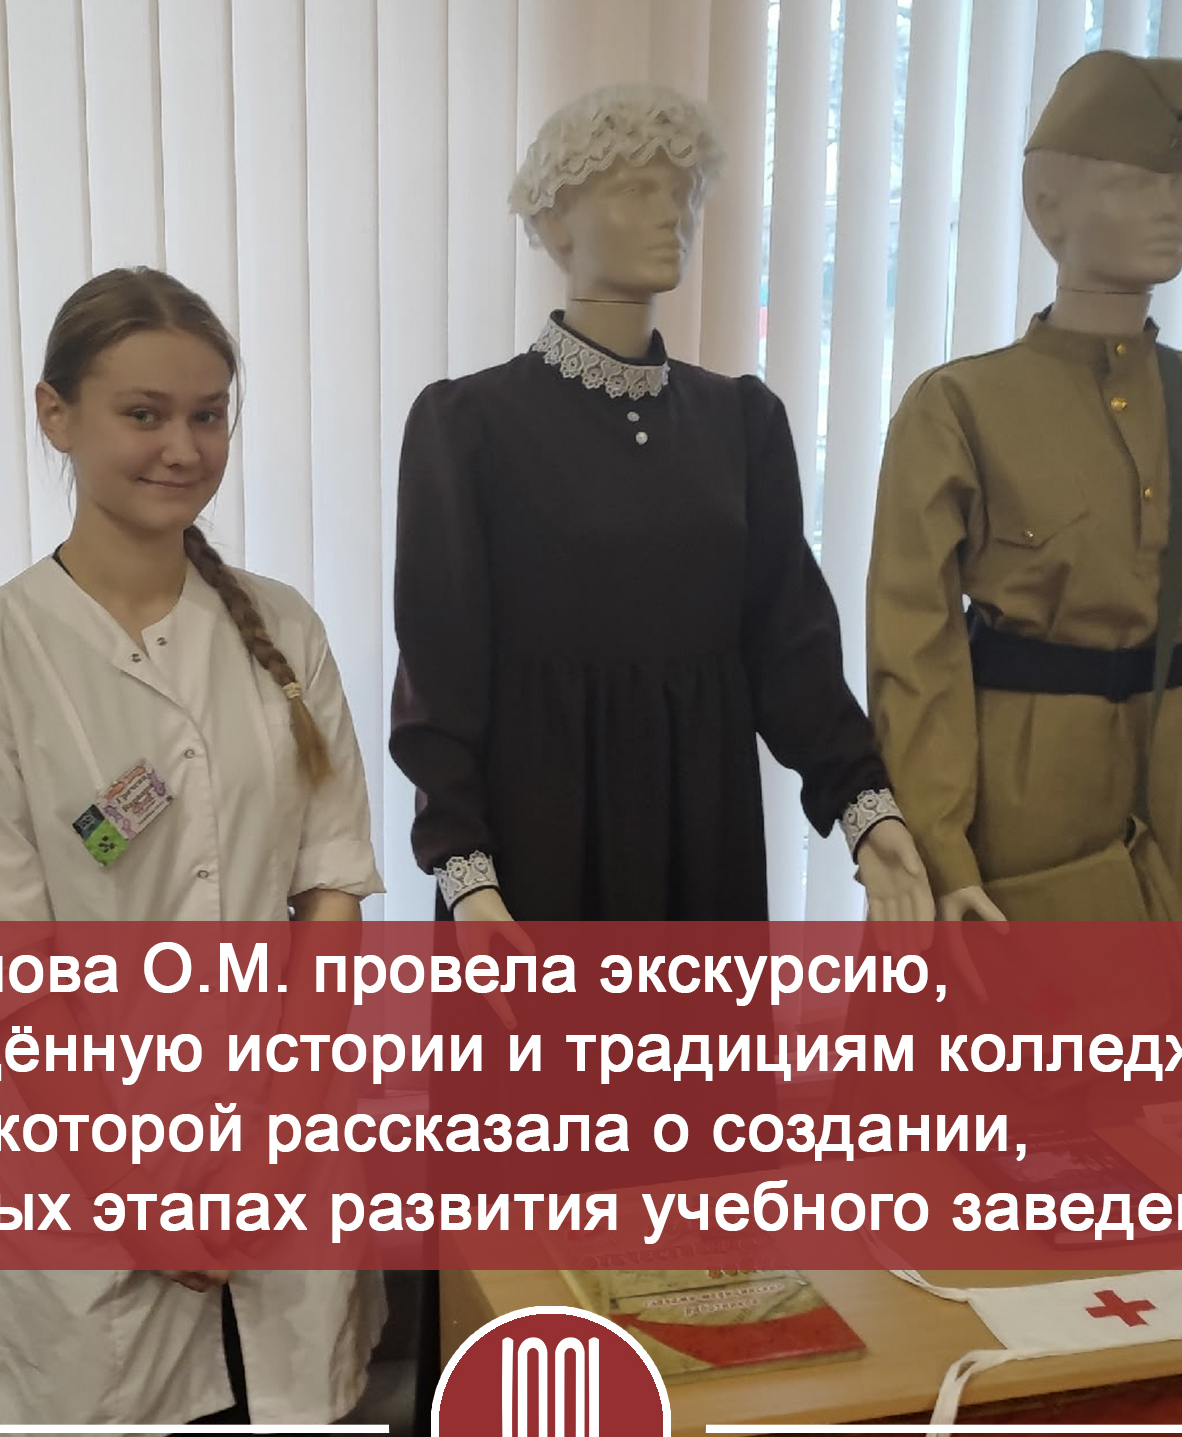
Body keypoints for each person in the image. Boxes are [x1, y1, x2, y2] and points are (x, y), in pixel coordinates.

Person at [0, 267, 385, 1437]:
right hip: (83, 1185)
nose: (184, 447)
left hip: (275, 1163)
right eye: (144, 413)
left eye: (210, 414)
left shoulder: (283, 630)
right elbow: (7, 975)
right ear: (55, 416)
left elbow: (330, 892)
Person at [390, 82, 932, 927]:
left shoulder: (741, 422)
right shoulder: (469, 426)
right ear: (556, 221)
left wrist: (866, 809)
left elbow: (786, 640)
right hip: (538, 836)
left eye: (684, 192)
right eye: (637, 188)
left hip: (702, 828)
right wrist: (466, 870)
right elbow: (440, 668)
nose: (670, 213)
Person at [867, 50, 1182, 923]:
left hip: (1175, 787)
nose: (1171, 209)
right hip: (1016, 790)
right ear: (1045, 204)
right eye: (1134, 184)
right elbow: (915, 653)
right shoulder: (959, 407)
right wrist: (942, 850)